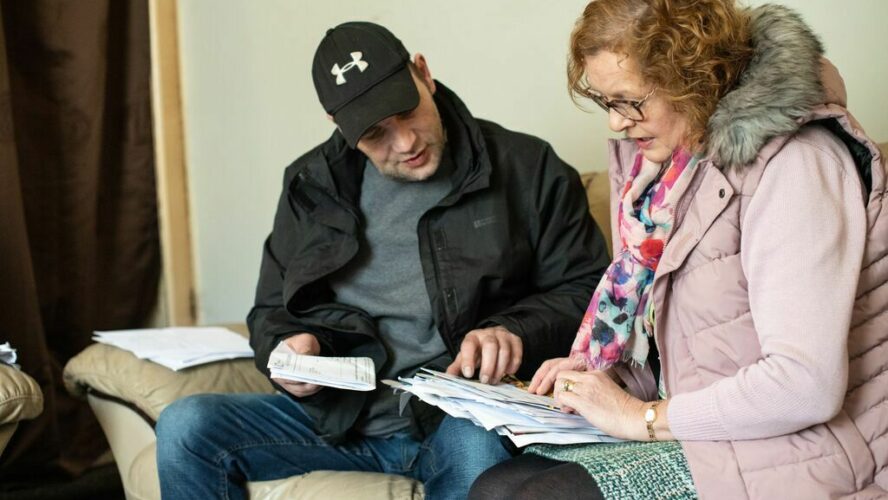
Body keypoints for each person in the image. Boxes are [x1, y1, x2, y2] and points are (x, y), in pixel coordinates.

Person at [154, 21, 610, 500]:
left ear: (423, 74)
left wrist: (513, 329)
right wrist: (291, 348)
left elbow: (589, 290)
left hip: (462, 418)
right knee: (187, 425)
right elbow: (270, 313)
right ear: (341, 128)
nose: (406, 142)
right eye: (375, 134)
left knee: (475, 453)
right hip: (340, 419)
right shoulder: (312, 186)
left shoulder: (528, 168)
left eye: (408, 111)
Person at [470, 1, 888, 499]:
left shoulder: (797, 165)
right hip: (715, 437)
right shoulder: (674, 175)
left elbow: (805, 386)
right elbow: (696, 354)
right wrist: (605, 378)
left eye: (628, 101)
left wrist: (636, 416)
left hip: (801, 451)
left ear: (692, 78)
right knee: (495, 484)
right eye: (603, 100)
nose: (616, 123)